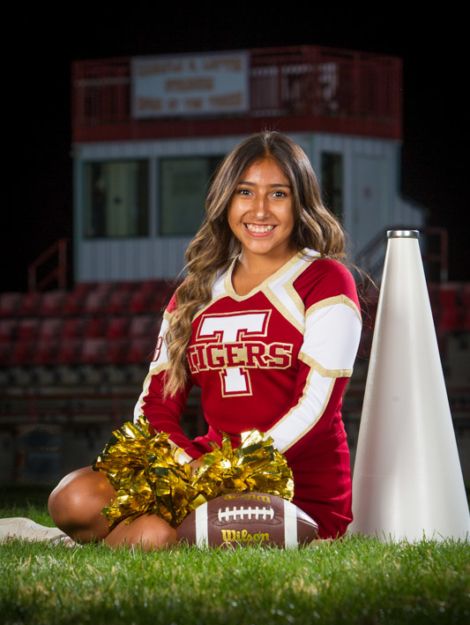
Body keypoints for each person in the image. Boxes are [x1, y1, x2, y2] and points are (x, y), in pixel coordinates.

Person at [45, 130, 362, 550]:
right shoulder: (196, 291)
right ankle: (148, 536)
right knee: (73, 498)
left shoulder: (325, 280)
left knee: (165, 536)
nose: (260, 210)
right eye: (245, 192)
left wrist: (231, 472)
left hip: (292, 485)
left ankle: (148, 538)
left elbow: (317, 408)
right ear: (226, 200)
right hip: (201, 469)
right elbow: (155, 404)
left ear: (300, 203)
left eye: (279, 194)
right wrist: (190, 466)